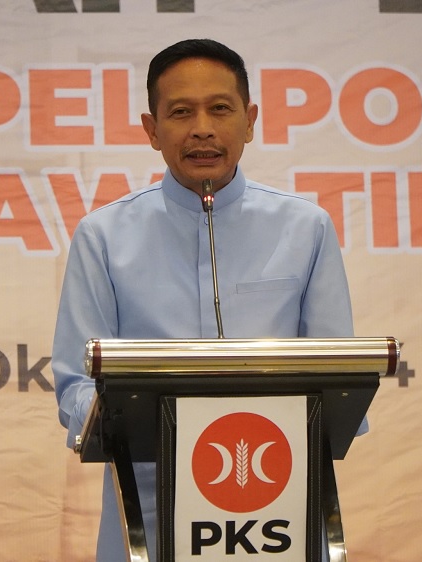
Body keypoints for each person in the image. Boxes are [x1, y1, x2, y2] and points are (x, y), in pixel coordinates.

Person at [52, 38, 361, 561]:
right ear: (152, 129)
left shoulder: (306, 228)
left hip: (277, 509)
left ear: (250, 120)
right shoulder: (103, 236)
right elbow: (76, 385)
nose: (202, 128)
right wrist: (125, 418)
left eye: (220, 108)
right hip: (149, 514)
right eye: (180, 112)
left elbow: (337, 378)